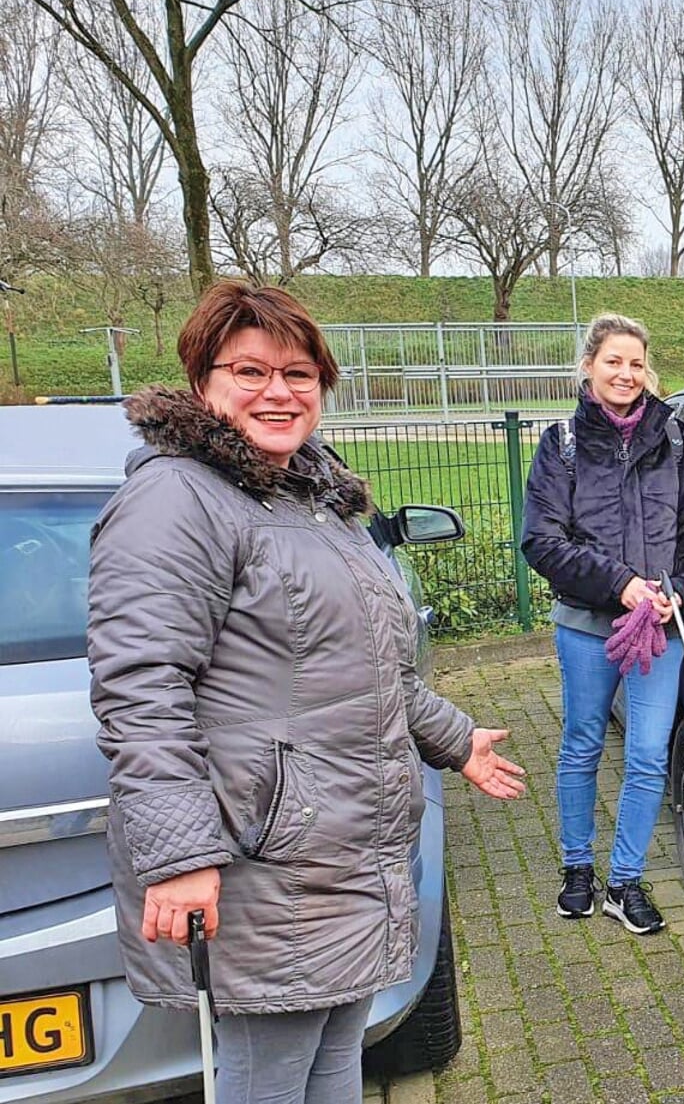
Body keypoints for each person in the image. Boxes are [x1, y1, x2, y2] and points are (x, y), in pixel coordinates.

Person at [87, 282, 526, 1104]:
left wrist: (457, 737)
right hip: (266, 866)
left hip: (340, 856)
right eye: (250, 370)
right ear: (202, 381)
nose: (279, 391)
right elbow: (141, 685)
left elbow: (372, 674)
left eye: (299, 373)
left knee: (333, 1064)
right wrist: (181, 858)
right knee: (267, 1081)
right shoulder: (177, 499)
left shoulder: (316, 503)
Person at [521, 313, 684, 936]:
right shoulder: (562, 445)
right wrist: (620, 583)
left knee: (646, 756)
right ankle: (577, 869)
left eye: (635, 363)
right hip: (586, 626)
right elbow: (540, 540)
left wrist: (679, 592)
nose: (625, 374)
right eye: (613, 361)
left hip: (658, 630)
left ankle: (625, 881)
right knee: (581, 746)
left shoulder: (678, 442)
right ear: (589, 366)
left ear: (647, 368)